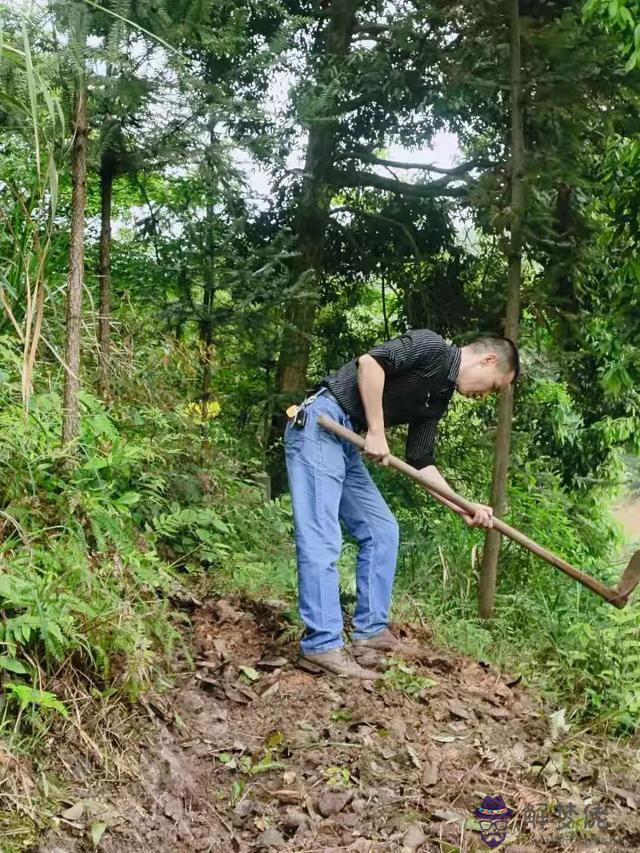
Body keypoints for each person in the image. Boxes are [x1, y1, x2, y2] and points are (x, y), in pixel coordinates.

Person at [284, 329, 519, 680]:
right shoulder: (431, 346)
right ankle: (321, 645)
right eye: (495, 386)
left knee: (382, 530)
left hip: (346, 442)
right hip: (322, 424)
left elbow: (421, 461)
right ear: (488, 360)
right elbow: (370, 363)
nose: (487, 395)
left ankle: (370, 633)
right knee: (322, 535)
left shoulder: (438, 397)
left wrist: (462, 506)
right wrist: (377, 432)